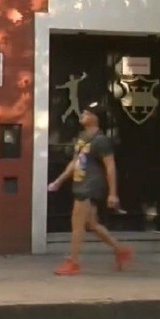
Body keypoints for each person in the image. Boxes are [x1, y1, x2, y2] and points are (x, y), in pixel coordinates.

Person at [48, 102, 133, 275]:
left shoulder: (101, 140)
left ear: (95, 118)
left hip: (90, 186)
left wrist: (113, 193)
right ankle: (120, 250)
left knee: (77, 223)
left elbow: (110, 166)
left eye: (87, 113)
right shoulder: (82, 137)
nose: (83, 115)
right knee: (92, 224)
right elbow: (75, 162)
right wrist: (59, 180)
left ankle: (73, 262)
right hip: (80, 182)